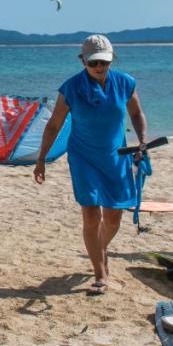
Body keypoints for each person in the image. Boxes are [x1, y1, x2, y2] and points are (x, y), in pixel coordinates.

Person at [34, 34, 149, 295]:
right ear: (83, 60)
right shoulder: (70, 88)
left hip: (117, 156)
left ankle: (100, 248)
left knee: (113, 217)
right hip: (83, 157)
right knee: (90, 214)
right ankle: (100, 272)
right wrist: (41, 159)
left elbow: (136, 113)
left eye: (104, 62)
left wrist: (142, 140)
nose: (99, 67)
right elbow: (54, 124)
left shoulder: (125, 83)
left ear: (112, 60)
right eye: (94, 62)